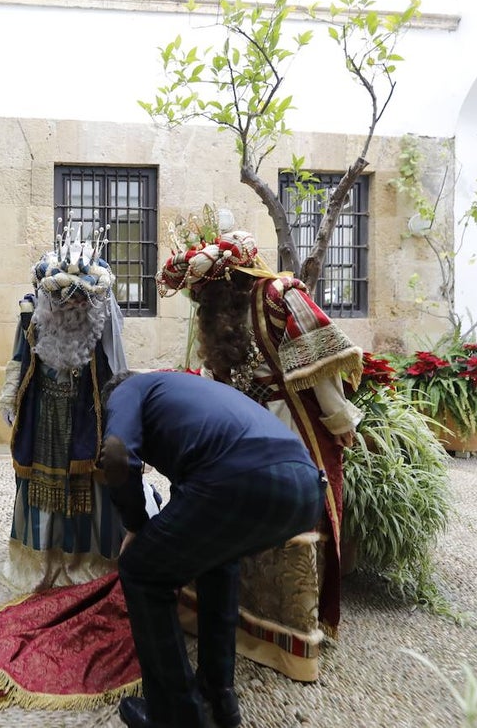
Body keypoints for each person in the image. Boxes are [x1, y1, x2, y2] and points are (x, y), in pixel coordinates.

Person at [157, 229, 362, 682]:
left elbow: (214, 380)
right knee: (295, 523)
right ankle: (288, 642)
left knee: (232, 517)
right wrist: (340, 421)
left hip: (238, 430)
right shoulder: (280, 294)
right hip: (288, 429)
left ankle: (221, 618)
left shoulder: (214, 313)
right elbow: (320, 370)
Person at [100, 370, 326, 728]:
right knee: (217, 560)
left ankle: (176, 716)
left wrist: (135, 524)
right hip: (305, 490)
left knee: (141, 571)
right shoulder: (186, 394)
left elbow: (116, 453)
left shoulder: (128, 388)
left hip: (242, 477)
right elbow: (191, 498)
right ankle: (218, 697)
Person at [0, 230, 130, 592]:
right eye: (63, 300)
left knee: (89, 482)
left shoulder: (102, 319)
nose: (71, 307)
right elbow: (19, 359)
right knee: (40, 484)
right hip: (42, 413)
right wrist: (10, 398)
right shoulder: (31, 314)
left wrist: (122, 413)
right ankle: (40, 557)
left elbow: (116, 367)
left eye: (79, 300)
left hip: (87, 413)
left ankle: (86, 558)